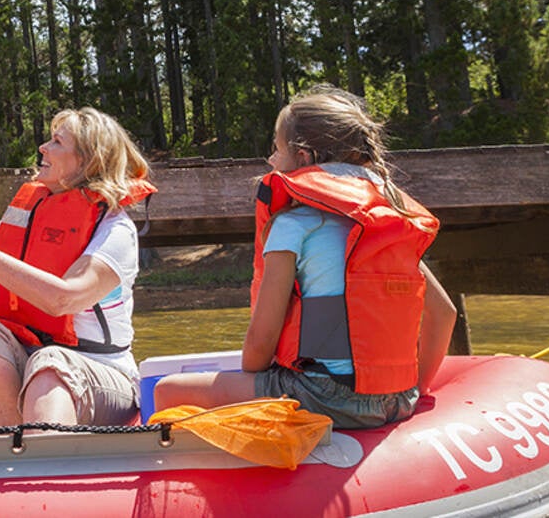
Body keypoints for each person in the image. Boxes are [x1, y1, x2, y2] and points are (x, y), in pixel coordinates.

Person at [153, 85, 459, 429]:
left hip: (324, 394)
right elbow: (445, 314)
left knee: (168, 391)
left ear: (303, 157)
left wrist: (255, 388)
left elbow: (261, 339)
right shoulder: (389, 223)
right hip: (398, 400)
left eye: (276, 148)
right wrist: (416, 389)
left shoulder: (293, 225)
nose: (271, 160)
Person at [0, 108, 156, 427]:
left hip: (102, 375)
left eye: (56, 142)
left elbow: (63, 300)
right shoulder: (35, 210)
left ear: (87, 161)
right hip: (35, 360)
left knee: (49, 364)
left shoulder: (115, 231)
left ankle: (38, 462)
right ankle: (12, 443)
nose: (43, 147)